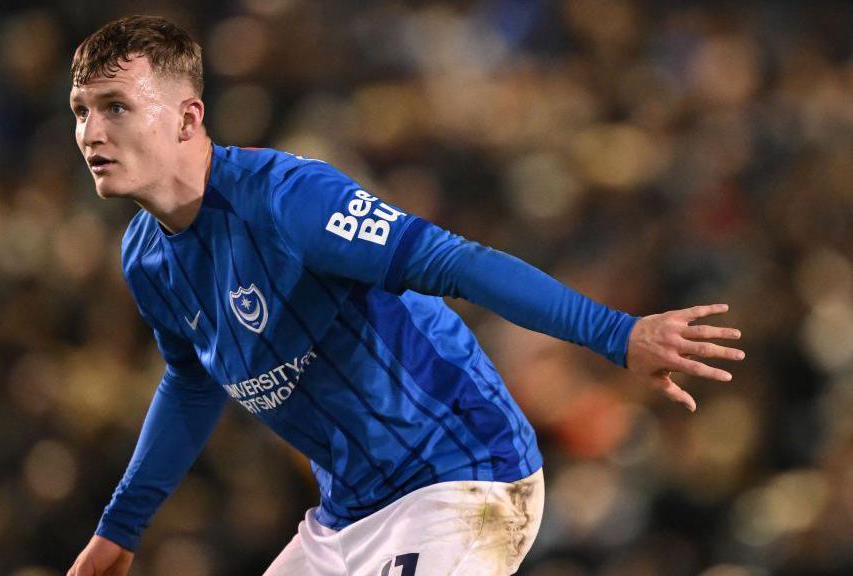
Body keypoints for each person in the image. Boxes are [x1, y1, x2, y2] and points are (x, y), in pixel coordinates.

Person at [65, 15, 744, 576]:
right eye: (82, 112)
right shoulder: (146, 258)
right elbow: (190, 383)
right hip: (346, 515)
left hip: (461, 477)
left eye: (116, 107)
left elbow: (456, 262)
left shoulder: (287, 202)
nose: (91, 134)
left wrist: (616, 335)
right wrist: (120, 529)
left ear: (188, 119)